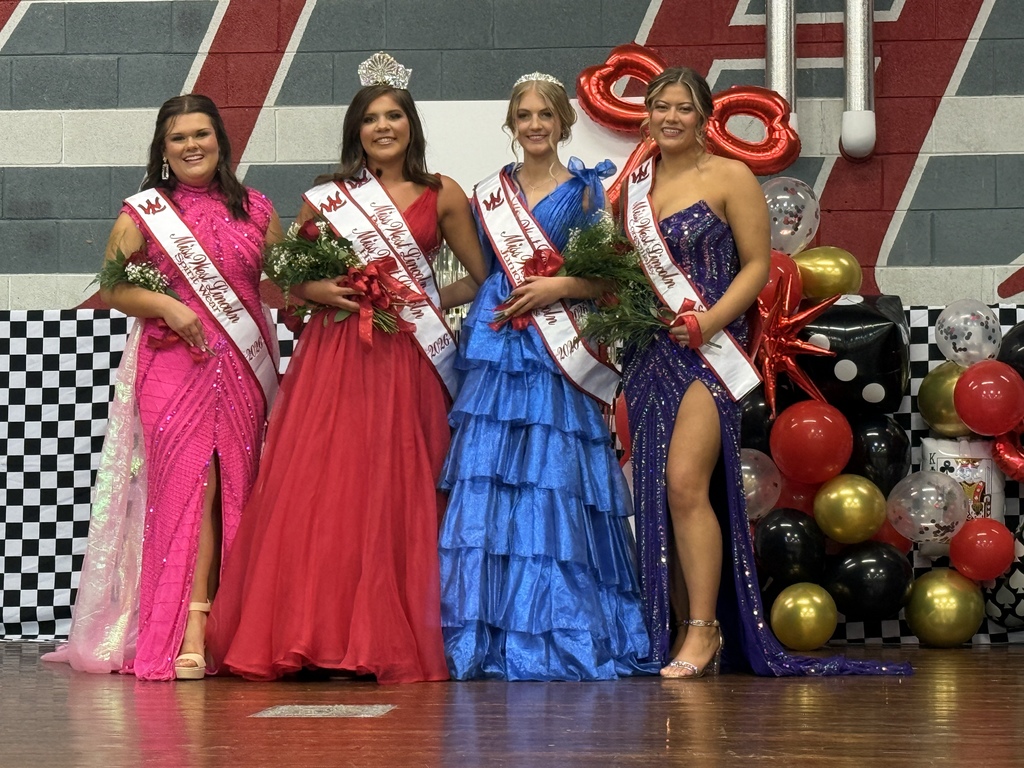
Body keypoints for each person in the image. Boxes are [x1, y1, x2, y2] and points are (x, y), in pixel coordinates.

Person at [205, 53, 488, 684]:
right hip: (334, 359)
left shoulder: (442, 194)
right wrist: (321, 292)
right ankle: (316, 635)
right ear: (355, 130)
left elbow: (481, 277)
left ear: (411, 125)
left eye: (394, 116)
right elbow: (282, 279)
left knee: (394, 490)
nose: (383, 127)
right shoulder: (327, 197)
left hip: (407, 359)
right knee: (325, 491)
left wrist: (422, 300)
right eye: (370, 119)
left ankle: (381, 636)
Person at [619, 67, 910, 677]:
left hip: (708, 350)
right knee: (655, 495)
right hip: (650, 353)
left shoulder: (730, 176)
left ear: (704, 118)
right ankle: (674, 630)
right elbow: (623, 274)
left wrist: (709, 321)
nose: (670, 117)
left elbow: (755, 268)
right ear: (646, 115)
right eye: (660, 106)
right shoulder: (634, 188)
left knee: (684, 486)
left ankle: (704, 629)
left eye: (683, 107)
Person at [43, 94, 283, 681]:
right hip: (174, 365)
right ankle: (188, 629)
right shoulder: (143, 213)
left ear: (222, 142)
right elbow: (113, 286)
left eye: (203, 133)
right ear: (163, 149)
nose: (192, 145)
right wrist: (165, 308)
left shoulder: (257, 208)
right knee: (189, 490)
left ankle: (239, 631)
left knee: (240, 489)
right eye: (179, 138)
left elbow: (282, 284)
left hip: (245, 367)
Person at [438, 73, 654, 681]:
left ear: (563, 123)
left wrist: (561, 286)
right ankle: (488, 632)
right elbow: (480, 274)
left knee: (554, 484)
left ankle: (564, 628)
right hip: (498, 343)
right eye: (523, 115)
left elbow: (614, 281)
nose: (534, 125)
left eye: (545, 115)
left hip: (559, 349)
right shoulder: (487, 194)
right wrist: (419, 300)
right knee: (494, 481)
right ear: (512, 125)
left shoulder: (587, 194)